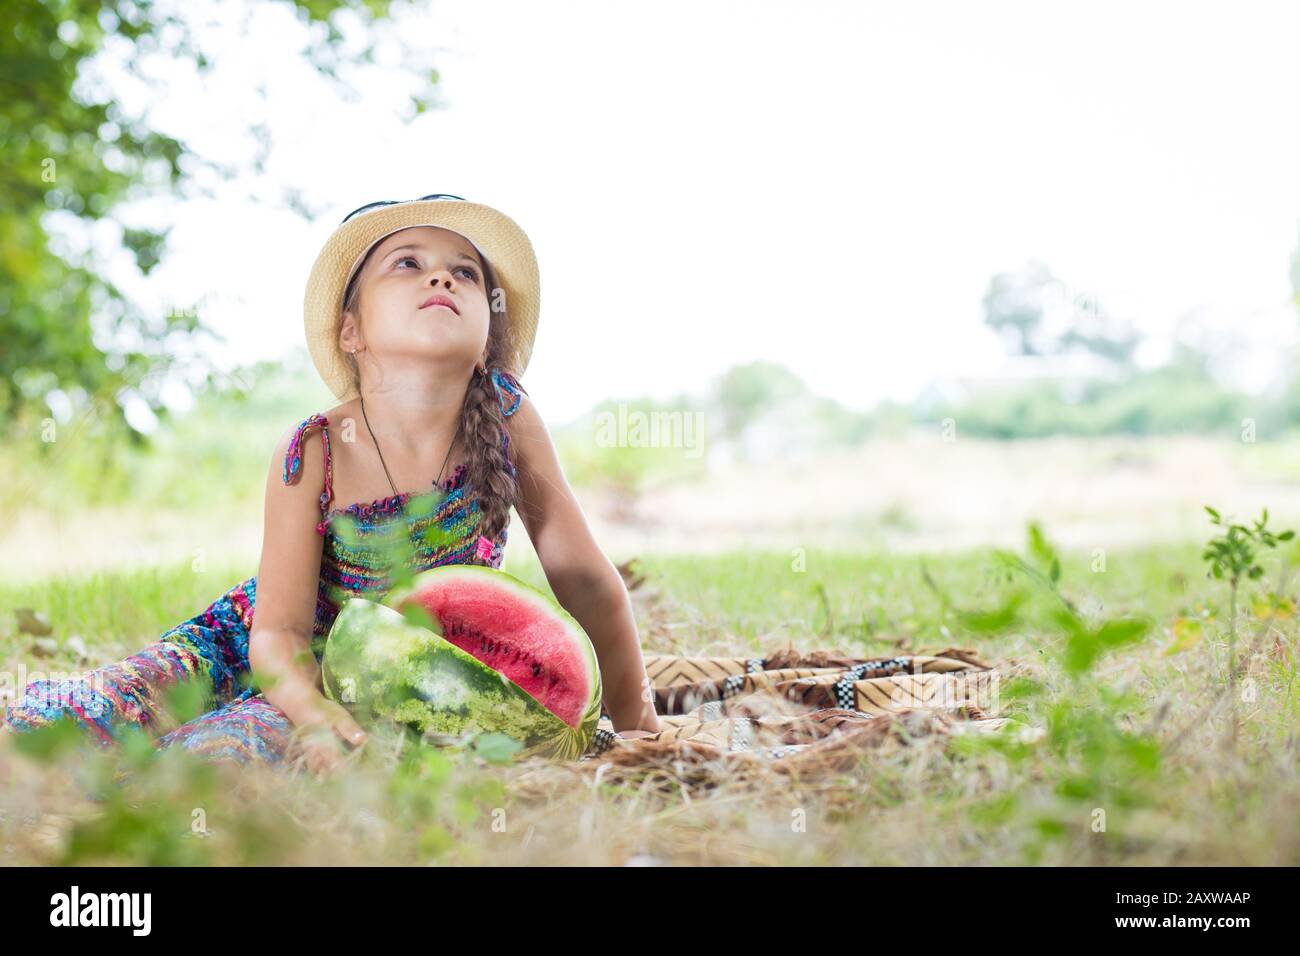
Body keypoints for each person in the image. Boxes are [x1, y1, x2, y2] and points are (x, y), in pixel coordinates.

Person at [1, 195, 662, 778]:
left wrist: (635, 730)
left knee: (219, 767)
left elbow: (582, 577)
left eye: (466, 272)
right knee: (75, 721)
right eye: (408, 263)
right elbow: (279, 631)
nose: (441, 275)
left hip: (391, 675)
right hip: (261, 646)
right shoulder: (311, 450)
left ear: (489, 329)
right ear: (353, 330)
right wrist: (309, 710)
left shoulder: (507, 410)